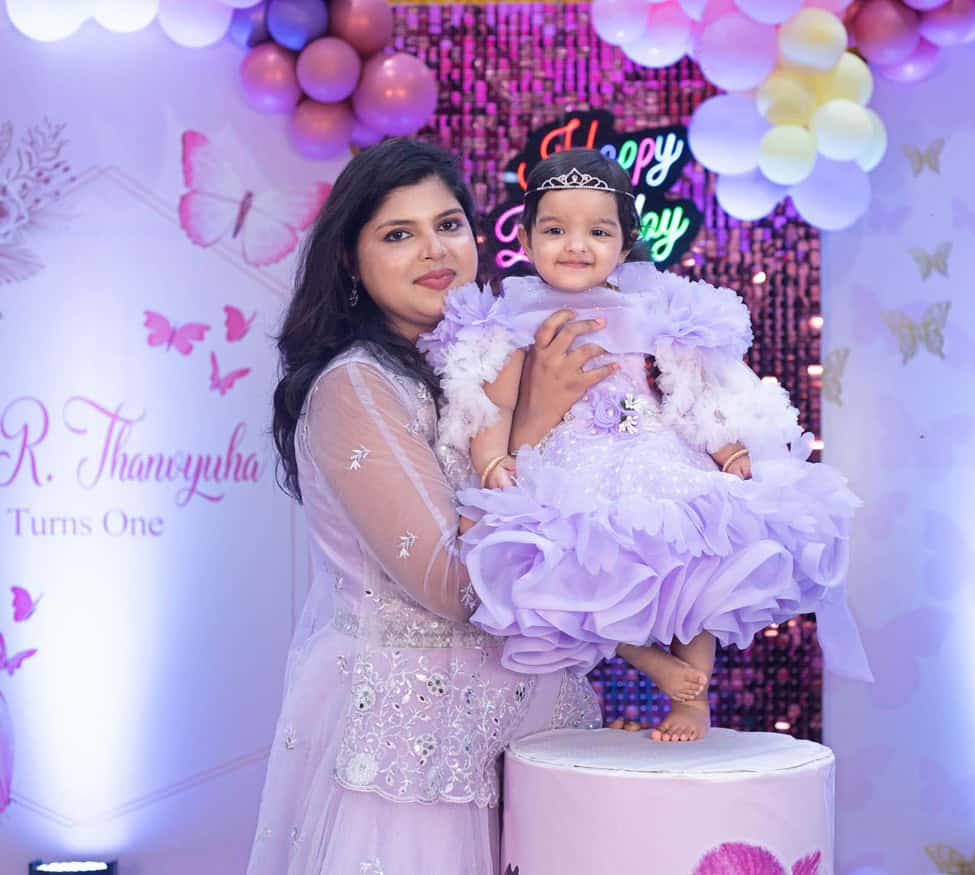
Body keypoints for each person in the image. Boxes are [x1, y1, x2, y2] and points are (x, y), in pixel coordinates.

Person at [419, 148, 872, 745]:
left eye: (597, 231)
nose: (575, 245)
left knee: (699, 554)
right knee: (573, 566)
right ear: (525, 238)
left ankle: (695, 696)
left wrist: (728, 450)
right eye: (555, 230)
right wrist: (493, 458)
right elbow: (493, 403)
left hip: (651, 448)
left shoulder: (648, 309)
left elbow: (692, 388)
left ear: (626, 241)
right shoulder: (515, 316)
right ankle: (647, 658)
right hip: (568, 459)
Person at [248, 138, 607, 875]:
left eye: (447, 224)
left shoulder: (491, 359)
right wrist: (531, 424)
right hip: (417, 759)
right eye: (397, 234)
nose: (433, 251)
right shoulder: (359, 388)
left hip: (534, 735)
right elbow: (454, 586)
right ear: (351, 259)